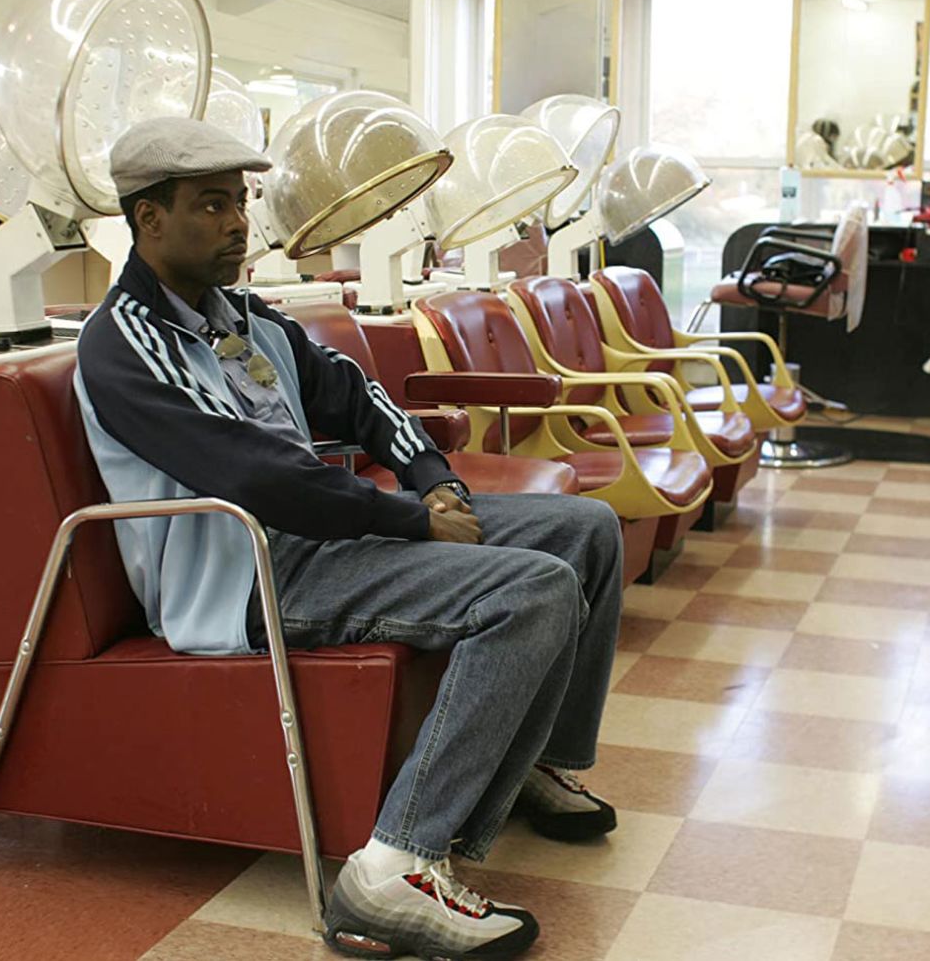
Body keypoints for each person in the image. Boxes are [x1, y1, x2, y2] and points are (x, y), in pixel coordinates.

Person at [73, 117, 623, 961]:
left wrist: (434, 481)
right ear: (148, 219)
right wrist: (408, 519)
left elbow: (360, 398)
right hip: (246, 573)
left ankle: (529, 767)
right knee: (531, 591)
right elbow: (251, 474)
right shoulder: (123, 343)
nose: (236, 224)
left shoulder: (246, 319)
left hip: (323, 542)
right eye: (211, 206)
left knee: (585, 529)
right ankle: (394, 866)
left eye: (240, 203)